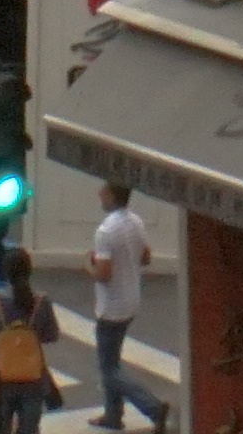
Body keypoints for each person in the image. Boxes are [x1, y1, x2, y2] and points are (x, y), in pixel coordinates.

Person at [85, 177, 162, 434]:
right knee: (112, 361)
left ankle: (152, 407)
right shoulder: (135, 222)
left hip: (111, 307)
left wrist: (90, 266)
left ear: (112, 196)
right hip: (131, 299)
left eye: (103, 191)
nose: (99, 194)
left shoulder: (105, 231)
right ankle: (112, 414)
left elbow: (104, 274)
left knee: (108, 370)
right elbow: (146, 257)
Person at [0, 266, 58, 434]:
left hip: (2, 376)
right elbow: (51, 335)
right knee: (30, 428)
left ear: (6, 274)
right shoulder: (41, 301)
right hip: (32, 378)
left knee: (0, 426)